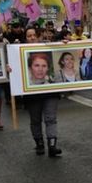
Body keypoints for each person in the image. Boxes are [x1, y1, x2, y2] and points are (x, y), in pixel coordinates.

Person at [23, 27, 62, 157]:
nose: (32, 38)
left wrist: (66, 44)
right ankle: (39, 143)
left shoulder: (48, 46)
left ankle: (52, 145)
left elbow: (61, 48)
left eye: (34, 35)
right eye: (29, 36)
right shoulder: (18, 52)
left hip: (50, 92)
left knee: (51, 118)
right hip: (32, 93)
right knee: (35, 119)